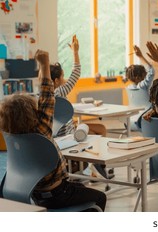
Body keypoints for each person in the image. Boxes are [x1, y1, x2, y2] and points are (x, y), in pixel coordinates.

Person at [0, 49, 106, 211]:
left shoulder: (10, 134)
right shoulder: (41, 131)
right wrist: (44, 63)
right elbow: (47, 96)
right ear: (32, 114)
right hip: (57, 193)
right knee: (100, 197)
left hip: (32, 193)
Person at [50, 34, 106, 138]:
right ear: (56, 81)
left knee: (92, 131)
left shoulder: (44, 95)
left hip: (59, 135)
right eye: (63, 76)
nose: (65, 79)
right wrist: (75, 52)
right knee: (101, 129)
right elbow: (76, 72)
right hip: (68, 134)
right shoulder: (59, 92)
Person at [126, 44, 155, 130]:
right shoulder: (142, 86)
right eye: (144, 74)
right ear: (138, 77)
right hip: (145, 117)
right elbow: (151, 71)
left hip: (132, 118)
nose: (146, 75)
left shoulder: (129, 88)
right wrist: (141, 56)